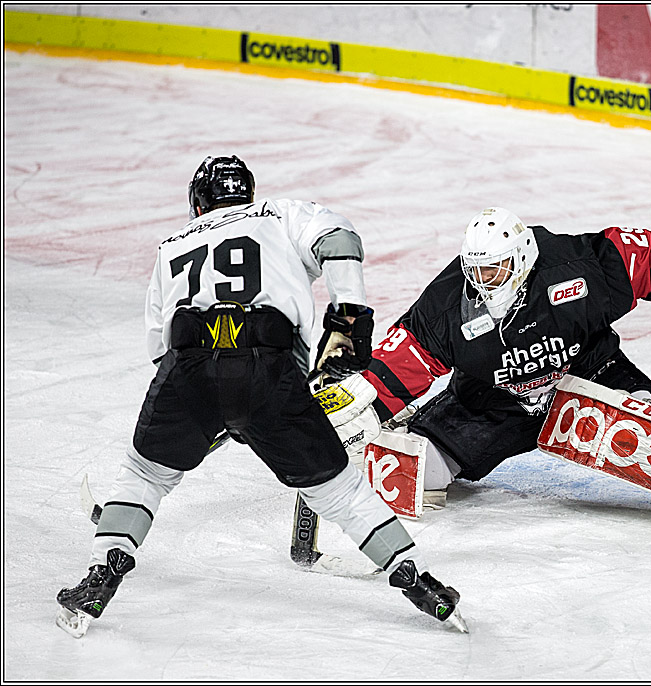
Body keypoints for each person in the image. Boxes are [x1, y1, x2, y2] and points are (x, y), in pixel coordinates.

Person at [56, 156, 465, 638]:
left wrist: (209, 408)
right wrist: (348, 316)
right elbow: (341, 240)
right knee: (340, 492)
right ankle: (421, 585)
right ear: (246, 192)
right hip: (270, 371)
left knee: (145, 475)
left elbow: (158, 347)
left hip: (187, 369)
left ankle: (99, 580)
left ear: (198, 202)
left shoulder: (171, 247)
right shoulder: (277, 214)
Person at [344, 207, 651, 522]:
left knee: (641, 420)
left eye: (496, 270)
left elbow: (636, 258)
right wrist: (363, 405)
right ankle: (398, 438)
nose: (483, 281)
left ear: (524, 259)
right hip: (493, 405)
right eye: (477, 270)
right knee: (408, 471)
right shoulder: (448, 304)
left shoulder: (571, 268)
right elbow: (404, 359)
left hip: (590, 376)